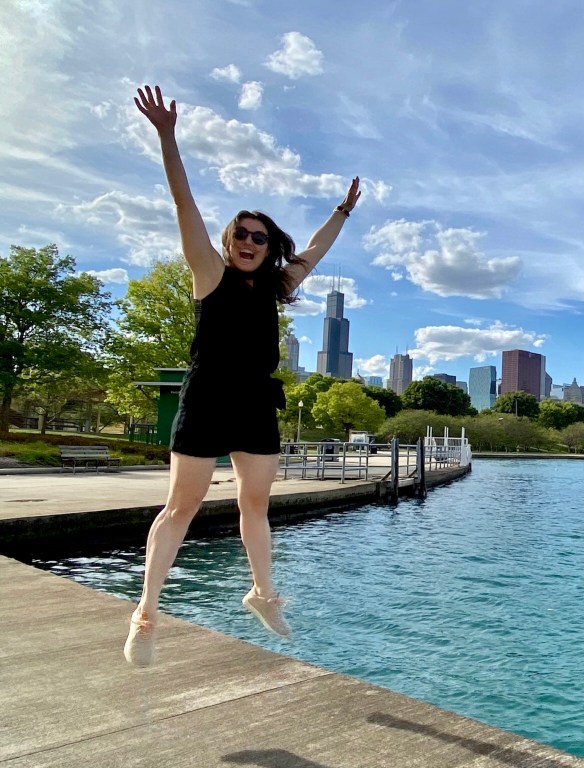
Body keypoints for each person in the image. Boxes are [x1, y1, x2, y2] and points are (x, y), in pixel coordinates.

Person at [123, 85, 361, 666]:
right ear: (228, 244)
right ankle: (146, 616)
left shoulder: (280, 286)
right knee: (181, 507)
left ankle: (262, 593)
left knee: (256, 505)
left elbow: (315, 249)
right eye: (242, 235)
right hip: (206, 398)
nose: (252, 242)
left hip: (255, 401)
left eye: (261, 236)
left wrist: (343, 212)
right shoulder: (209, 273)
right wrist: (167, 137)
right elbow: (185, 204)